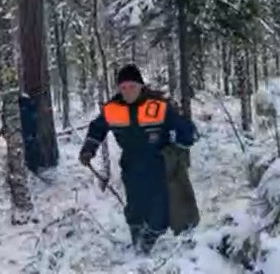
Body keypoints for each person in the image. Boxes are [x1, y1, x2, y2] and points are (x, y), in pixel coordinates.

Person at [79, 65, 196, 254]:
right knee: (135, 208)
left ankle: (150, 239)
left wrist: (184, 140)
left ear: (141, 86)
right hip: (131, 166)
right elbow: (97, 129)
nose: (127, 91)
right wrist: (88, 149)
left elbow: (184, 129)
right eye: (123, 87)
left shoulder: (158, 106)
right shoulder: (113, 109)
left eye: (132, 86)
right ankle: (138, 245)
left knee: (160, 213)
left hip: (159, 166)